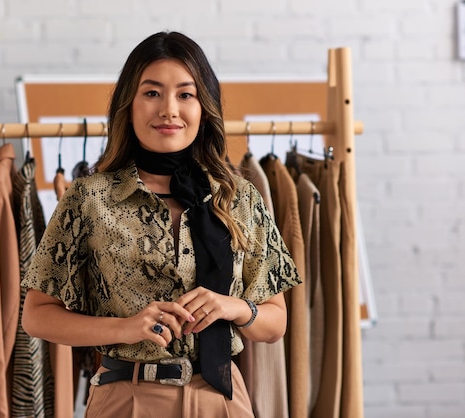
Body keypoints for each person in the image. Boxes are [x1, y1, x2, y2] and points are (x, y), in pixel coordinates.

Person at [21, 31, 301, 417]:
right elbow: (36, 315)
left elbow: (275, 322)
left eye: (185, 94)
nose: (169, 109)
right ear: (129, 105)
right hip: (126, 397)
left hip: (222, 400)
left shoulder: (239, 197)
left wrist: (232, 307)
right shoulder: (89, 198)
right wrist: (127, 327)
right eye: (152, 93)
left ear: (204, 107)